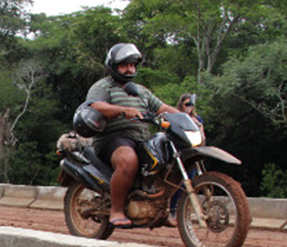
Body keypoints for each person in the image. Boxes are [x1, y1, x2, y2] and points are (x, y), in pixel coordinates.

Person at [82, 43, 179, 228]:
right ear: (113, 65)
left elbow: (162, 108)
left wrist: (184, 117)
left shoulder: (141, 91)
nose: (130, 69)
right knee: (128, 160)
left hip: (142, 139)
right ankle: (116, 210)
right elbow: (95, 106)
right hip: (112, 139)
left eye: (133, 65)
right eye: (125, 65)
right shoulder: (103, 86)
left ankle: (161, 208)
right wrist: (122, 110)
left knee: (172, 161)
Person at [167, 93, 206, 226]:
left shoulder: (197, 120)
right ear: (181, 105)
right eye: (186, 104)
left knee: (191, 185)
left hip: (192, 155)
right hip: (178, 155)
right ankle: (171, 212)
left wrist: (198, 125)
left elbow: (203, 139)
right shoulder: (176, 118)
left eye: (191, 104)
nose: (189, 107)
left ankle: (183, 213)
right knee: (178, 185)